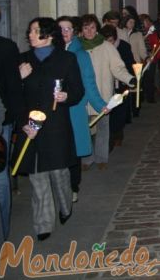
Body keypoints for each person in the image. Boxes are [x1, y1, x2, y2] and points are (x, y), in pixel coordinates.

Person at [15, 18, 84, 240]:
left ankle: (65, 206)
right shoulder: (23, 61)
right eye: (30, 31)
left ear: (49, 35)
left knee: (59, 173)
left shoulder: (67, 59)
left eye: (36, 31)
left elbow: (77, 91)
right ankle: (43, 224)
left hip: (56, 126)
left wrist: (66, 96)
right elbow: (11, 95)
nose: (31, 35)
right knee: (37, 177)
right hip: (31, 127)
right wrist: (18, 78)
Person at [57, 16, 107, 203]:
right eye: (61, 29)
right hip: (55, 109)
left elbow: (89, 83)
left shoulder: (81, 54)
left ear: (75, 32)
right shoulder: (53, 52)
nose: (64, 33)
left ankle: (73, 186)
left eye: (68, 29)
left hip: (74, 107)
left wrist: (100, 105)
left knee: (73, 148)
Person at [79, 14, 135, 170]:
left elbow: (117, 67)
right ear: (81, 30)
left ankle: (101, 157)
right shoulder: (77, 48)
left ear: (97, 28)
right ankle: (86, 158)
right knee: (85, 127)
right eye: (85, 28)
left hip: (102, 93)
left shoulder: (106, 47)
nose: (89, 31)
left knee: (103, 127)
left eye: (92, 27)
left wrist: (129, 79)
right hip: (83, 96)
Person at [0, 7, 25, 242]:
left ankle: (2, 233)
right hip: (4, 117)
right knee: (0, 174)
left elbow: (13, 88)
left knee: (0, 176)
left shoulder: (5, 48)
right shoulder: (7, 47)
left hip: (0, 119)